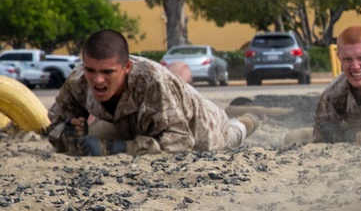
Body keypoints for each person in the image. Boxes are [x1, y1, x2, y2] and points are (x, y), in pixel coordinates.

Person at [47, 29, 257, 156]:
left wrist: (118, 149)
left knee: (230, 136)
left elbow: (181, 142)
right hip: (134, 127)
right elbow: (52, 125)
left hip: (199, 124)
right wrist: (68, 133)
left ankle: (247, 122)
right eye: (91, 70)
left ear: (127, 67)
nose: (97, 79)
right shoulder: (78, 80)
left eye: (107, 72)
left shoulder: (152, 81)